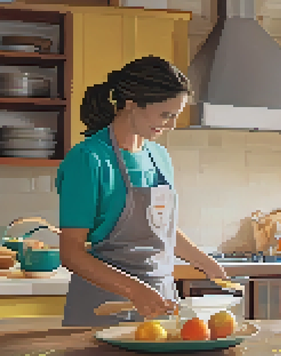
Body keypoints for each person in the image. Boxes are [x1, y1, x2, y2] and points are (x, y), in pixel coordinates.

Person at [56, 55, 227, 327]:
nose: (171, 125)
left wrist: (206, 263)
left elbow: (162, 229)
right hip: (103, 307)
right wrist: (135, 290)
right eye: (165, 115)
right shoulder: (88, 159)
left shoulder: (159, 156)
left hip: (160, 304)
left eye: (175, 116)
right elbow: (71, 252)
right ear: (131, 104)